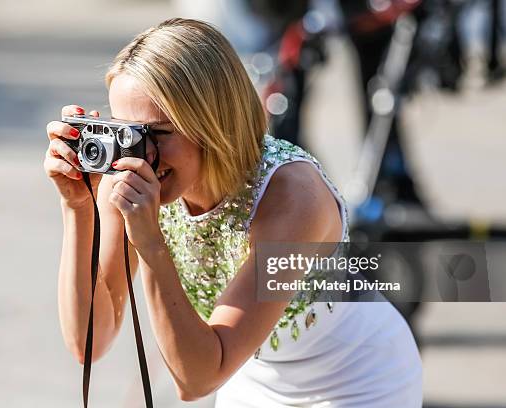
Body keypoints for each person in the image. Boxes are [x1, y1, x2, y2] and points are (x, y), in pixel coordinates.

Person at [44, 18, 422, 407]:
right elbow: (89, 341)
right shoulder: (133, 176)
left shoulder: (292, 197)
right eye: (126, 131)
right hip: (252, 376)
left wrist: (150, 244)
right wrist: (77, 207)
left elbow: (196, 380)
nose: (142, 154)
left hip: (356, 378)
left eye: (158, 133)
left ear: (211, 122)